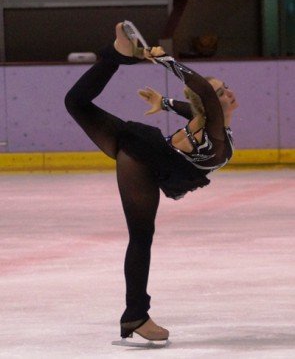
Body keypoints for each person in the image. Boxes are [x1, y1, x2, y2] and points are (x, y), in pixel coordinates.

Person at [64, 21, 238, 343]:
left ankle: (116, 56)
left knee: (76, 103)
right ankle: (136, 316)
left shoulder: (212, 130)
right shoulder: (209, 127)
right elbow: (200, 97)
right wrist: (163, 61)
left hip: (155, 164)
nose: (228, 92)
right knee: (141, 237)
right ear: (210, 104)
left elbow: (197, 106)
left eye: (225, 87)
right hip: (145, 157)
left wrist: (167, 101)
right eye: (220, 92)